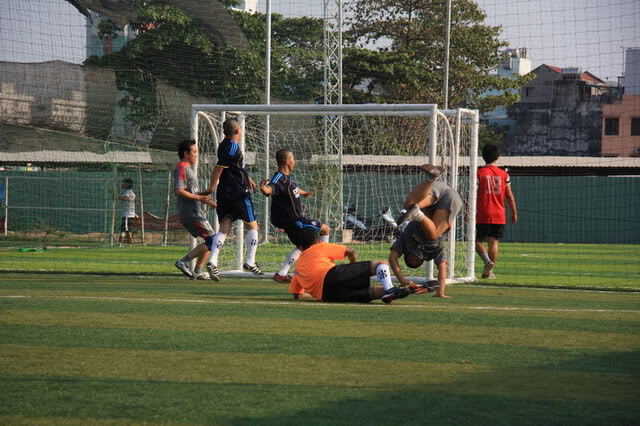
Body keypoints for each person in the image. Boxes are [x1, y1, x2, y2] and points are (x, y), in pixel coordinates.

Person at [202, 118, 263, 281]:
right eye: (241, 129)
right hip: (237, 192)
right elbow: (219, 167)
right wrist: (211, 187)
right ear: (237, 131)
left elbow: (235, 166)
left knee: (224, 228)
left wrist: (246, 177)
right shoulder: (232, 146)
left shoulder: (223, 144)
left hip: (225, 193)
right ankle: (250, 261)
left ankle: (213, 262)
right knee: (253, 226)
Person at [390, 165, 463, 298]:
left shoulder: (405, 240)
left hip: (437, 190)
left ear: (406, 254)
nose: (415, 259)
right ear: (422, 261)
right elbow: (442, 267)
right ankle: (418, 212)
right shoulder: (432, 252)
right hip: (449, 199)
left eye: (410, 259)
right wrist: (440, 292)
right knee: (433, 235)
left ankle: (430, 178)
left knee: (408, 205)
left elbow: (392, 257)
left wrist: (402, 280)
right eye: (416, 262)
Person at [259, 148, 331, 283]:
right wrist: (265, 189)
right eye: (292, 159)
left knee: (302, 246)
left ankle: (282, 273)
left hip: (291, 221)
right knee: (325, 230)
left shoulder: (286, 179)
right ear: (287, 161)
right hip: (296, 220)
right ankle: (324, 268)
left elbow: (291, 189)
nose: (294, 161)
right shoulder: (279, 177)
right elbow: (272, 188)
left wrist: (303, 193)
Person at [289, 229, 410, 304]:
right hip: (331, 275)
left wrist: (315, 293)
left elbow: (297, 295)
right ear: (317, 241)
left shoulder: (298, 268)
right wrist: (354, 267)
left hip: (328, 296)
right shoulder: (319, 247)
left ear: (300, 247)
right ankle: (389, 289)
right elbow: (350, 251)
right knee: (380, 264)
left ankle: (390, 292)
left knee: (372, 293)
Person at [173, 140, 217, 279]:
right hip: (192, 213)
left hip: (194, 211)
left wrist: (207, 198)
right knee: (213, 241)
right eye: (194, 152)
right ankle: (183, 262)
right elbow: (179, 191)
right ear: (186, 154)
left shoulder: (188, 169)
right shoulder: (181, 168)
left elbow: (192, 193)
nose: (197, 155)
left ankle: (197, 272)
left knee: (211, 241)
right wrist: (199, 198)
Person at [475, 144, 518, 279]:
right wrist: (514, 212)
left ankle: (487, 262)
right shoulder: (504, 174)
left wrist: (467, 212)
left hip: (483, 213)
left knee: (475, 241)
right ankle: (490, 271)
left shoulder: (479, 173)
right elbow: (509, 195)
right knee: (493, 242)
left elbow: (472, 194)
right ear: (497, 157)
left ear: (483, 157)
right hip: (499, 214)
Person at [118, 178, 137, 245]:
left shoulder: (128, 192)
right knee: (128, 230)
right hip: (131, 214)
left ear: (127, 184)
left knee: (123, 230)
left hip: (127, 214)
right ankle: (130, 244)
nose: (122, 184)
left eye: (123, 183)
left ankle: (120, 244)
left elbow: (125, 198)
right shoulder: (131, 192)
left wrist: (116, 197)